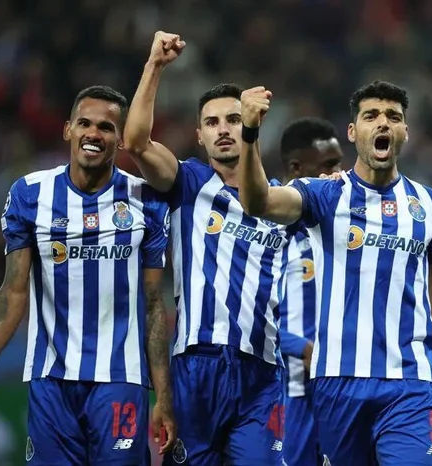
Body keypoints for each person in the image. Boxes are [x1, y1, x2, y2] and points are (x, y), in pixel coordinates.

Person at [237, 79, 432, 465]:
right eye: (371, 116)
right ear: (352, 131)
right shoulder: (325, 194)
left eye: (393, 116)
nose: (383, 123)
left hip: (410, 385)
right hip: (338, 383)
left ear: (405, 131)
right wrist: (249, 133)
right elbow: (257, 201)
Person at [0, 85, 176, 465]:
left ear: (121, 140)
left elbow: (154, 304)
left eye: (106, 127)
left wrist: (164, 394)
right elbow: (14, 289)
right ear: (67, 129)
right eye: (85, 123)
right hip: (51, 378)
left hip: (120, 377)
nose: (93, 133)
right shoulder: (29, 195)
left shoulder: (147, 200)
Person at [123, 31, 291, 465]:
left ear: (251, 124)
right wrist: (155, 66)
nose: (223, 130)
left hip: (263, 374)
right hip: (196, 367)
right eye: (212, 123)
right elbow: (136, 141)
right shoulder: (190, 182)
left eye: (233, 119)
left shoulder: (282, 202)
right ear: (199, 135)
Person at [276, 117, 343, 465]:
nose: (338, 173)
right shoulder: (270, 230)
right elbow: (245, 311)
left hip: (340, 386)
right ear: (297, 169)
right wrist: (299, 347)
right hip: (292, 390)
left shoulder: (341, 226)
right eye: (329, 165)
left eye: (340, 163)